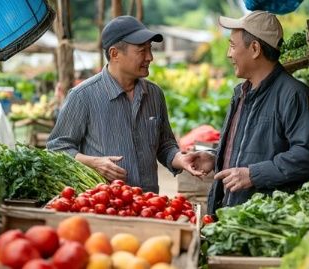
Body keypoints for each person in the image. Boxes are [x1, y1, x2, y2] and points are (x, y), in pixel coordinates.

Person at [47, 15, 203, 193]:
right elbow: (56, 148)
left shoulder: (154, 94)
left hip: (148, 204)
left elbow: (165, 144)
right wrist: (93, 162)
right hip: (103, 204)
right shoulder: (82, 96)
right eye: (141, 51)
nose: (150, 57)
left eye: (150, 49)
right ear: (115, 54)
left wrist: (180, 158)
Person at [191, 11, 309, 215]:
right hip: (230, 214)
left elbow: (308, 154)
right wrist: (215, 157)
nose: (229, 54)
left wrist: (253, 175)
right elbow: (248, 146)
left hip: (263, 219)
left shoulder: (294, 95)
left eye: (233, 46)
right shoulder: (241, 93)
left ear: (255, 49)